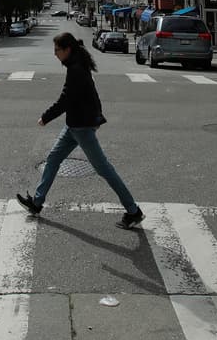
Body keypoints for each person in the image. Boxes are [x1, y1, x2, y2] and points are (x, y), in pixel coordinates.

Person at [16, 32, 144, 229]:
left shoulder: (76, 69)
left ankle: (133, 211)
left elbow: (66, 99)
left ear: (67, 50)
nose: (55, 54)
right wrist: (98, 116)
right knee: (53, 159)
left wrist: (46, 117)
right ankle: (37, 203)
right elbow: (91, 93)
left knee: (104, 169)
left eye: (57, 50)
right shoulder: (77, 65)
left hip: (81, 127)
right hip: (75, 125)